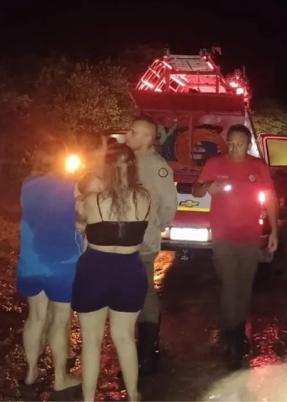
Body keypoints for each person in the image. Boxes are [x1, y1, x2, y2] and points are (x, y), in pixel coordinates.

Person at [192, 124, 279, 368]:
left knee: (244, 285)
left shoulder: (257, 167)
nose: (234, 148)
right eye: (230, 143)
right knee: (230, 284)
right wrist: (208, 186)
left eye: (239, 143)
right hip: (223, 236)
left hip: (250, 236)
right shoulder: (215, 164)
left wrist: (274, 231)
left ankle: (238, 330)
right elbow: (196, 191)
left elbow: (270, 198)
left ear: (248, 145)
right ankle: (232, 339)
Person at [72, 144, 151, 402]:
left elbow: (79, 225)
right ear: (133, 167)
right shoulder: (144, 198)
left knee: (91, 341)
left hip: (95, 269)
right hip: (129, 271)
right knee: (125, 337)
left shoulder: (92, 200)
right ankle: (133, 395)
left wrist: (81, 199)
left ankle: (88, 399)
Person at [16, 139, 83, 392]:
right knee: (59, 320)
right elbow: (81, 218)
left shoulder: (27, 185)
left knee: (35, 316)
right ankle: (60, 378)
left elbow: (29, 213)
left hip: (31, 260)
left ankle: (31, 371)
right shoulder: (73, 186)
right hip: (63, 263)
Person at [123, 116, 177, 374]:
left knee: (145, 293)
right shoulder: (125, 161)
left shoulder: (157, 166)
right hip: (121, 241)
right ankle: (134, 346)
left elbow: (168, 204)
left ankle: (146, 351)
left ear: (147, 137)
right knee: (128, 292)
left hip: (143, 242)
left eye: (133, 132)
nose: (127, 135)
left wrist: (155, 226)